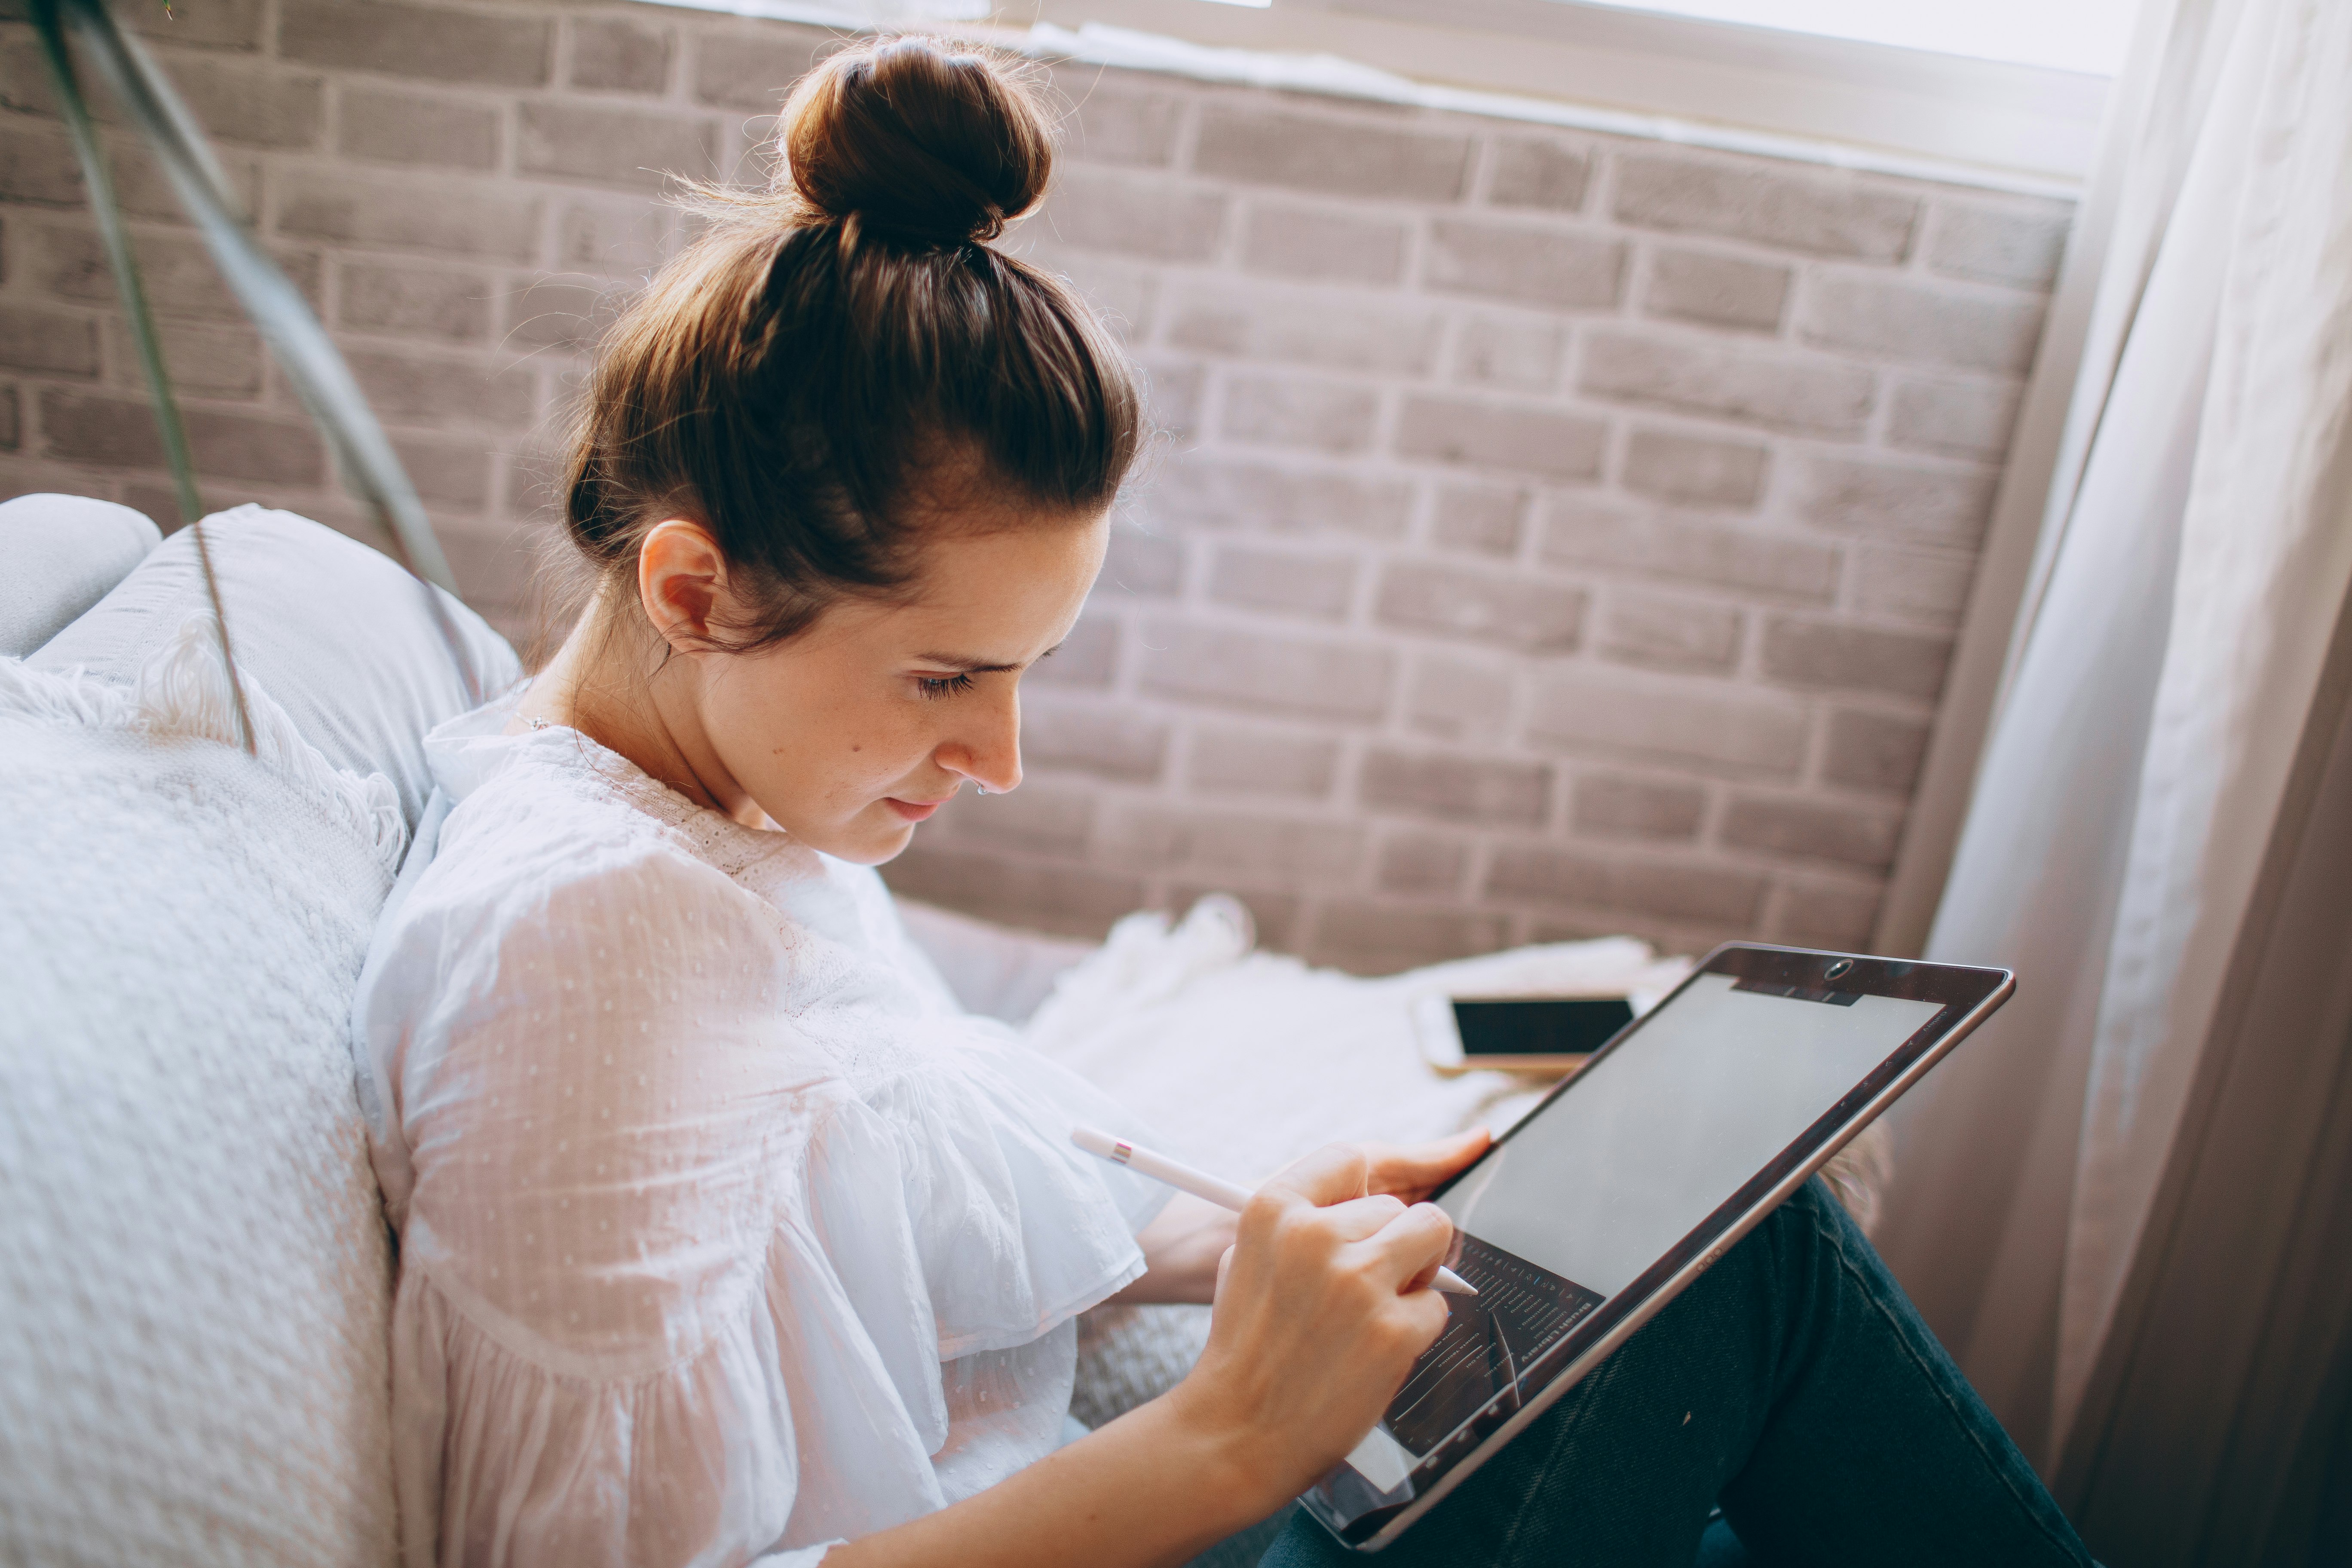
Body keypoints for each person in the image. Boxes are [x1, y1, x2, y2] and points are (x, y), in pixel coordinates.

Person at [353, 34, 2096, 1568]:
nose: (1000, 762)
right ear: (694, 592)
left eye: (1027, 673)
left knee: (1708, 1362)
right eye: (949, 680)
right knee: (1759, 1269)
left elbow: (868, 1216)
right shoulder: (583, 947)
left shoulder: (731, 818)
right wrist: (1230, 1437)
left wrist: (1255, 1231)